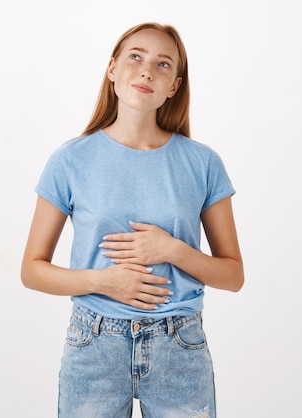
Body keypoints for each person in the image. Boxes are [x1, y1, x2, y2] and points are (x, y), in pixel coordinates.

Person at [20, 22, 243, 417]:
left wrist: (172, 249)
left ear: (173, 86)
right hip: (95, 343)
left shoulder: (202, 163)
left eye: (162, 65)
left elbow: (232, 276)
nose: (146, 71)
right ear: (112, 69)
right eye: (135, 58)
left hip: (179, 345)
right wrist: (103, 281)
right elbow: (32, 270)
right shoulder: (71, 160)